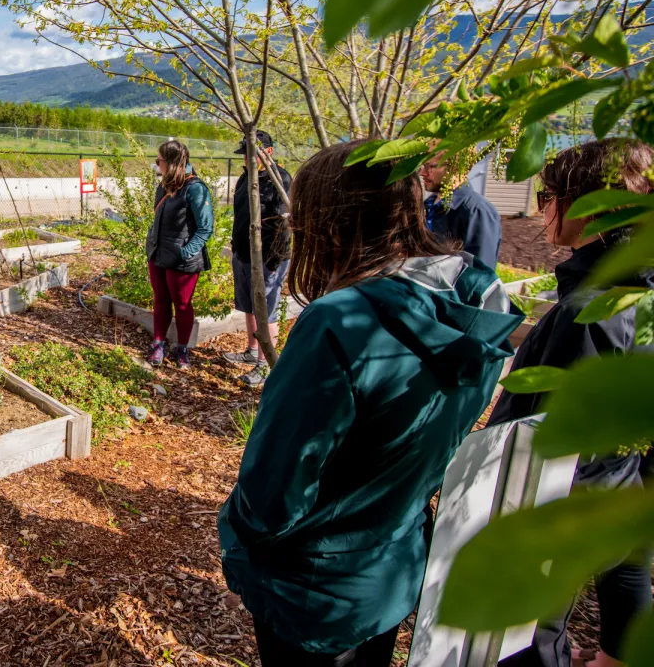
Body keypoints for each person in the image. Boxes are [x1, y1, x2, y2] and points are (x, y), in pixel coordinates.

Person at [218, 141, 520, 667]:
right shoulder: (476, 302)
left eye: (303, 217)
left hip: (312, 585)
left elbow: (272, 494)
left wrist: (238, 536)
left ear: (334, 223)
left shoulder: (342, 322)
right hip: (392, 565)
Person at [487, 139, 654, 667]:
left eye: (548, 195)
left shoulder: (591, 311)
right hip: (621, 489)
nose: (542, 210)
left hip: (561, 513)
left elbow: (552, 441)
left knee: (532, 637)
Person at [222, 130, 293, 386]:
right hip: (243, 253)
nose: (246, 159)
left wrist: (273, 262)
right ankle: (252, 352)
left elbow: (283, 226)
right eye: (244, 155)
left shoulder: (280, 180)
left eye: (252, 154)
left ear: (268, 152)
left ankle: (265, 365)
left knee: (267, 310)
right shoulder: (246, 178)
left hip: (268, 258)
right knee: (250, 306)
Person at [145, 140, 215, 368]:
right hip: (158, 253)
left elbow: (205, 228)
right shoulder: (164, 186)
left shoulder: (195, 188)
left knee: (182, 304)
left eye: (159, 161)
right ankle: (158, 344)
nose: (157, 166)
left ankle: (182, 349)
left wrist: (185, 253)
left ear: (172, 163)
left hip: (182, 259)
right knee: (160, 300)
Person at [420, 156, 503, 269]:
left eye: (431, 167)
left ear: (456, 167)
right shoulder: (425, 207)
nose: (423, 173)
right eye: (423, 166)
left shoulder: (477, 212)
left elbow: (479, 275)